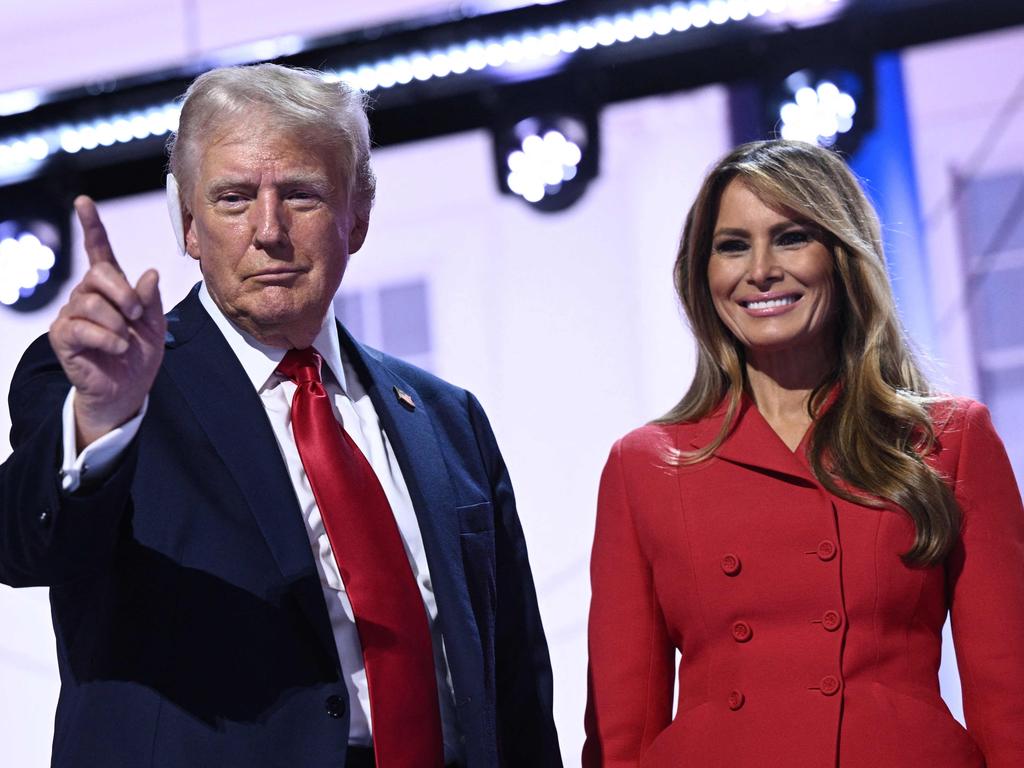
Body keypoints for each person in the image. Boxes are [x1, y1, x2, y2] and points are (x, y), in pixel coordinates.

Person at [0, 63, 561, 768]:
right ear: (189, 225)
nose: (269, 231)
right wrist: (102, 418)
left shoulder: (449, 421)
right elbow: (29, 548)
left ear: (357, 216)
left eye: (301, 194)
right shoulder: (108, 388)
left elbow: (514, 681)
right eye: (234, 198)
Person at [582, 139, 1024, 767]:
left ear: (843, 258)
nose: (759, 269)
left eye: (790, 238)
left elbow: (1011, 697)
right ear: (702, 275)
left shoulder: (948, 440)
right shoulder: (646, 464)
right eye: (732, 245)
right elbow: (622, 729)